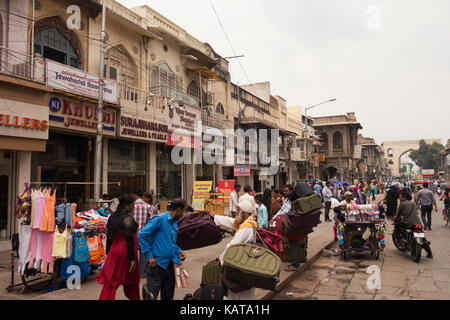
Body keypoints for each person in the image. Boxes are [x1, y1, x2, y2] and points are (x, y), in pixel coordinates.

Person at [138, 198, 187, 300]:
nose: (183, 214)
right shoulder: (159, 219)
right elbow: (142, 236)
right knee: (151, 296)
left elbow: (171, 242)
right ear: (178, 209)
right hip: (157, 264)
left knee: (168, 295)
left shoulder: (174, 223)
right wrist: (150, 256)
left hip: (170, 265)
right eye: (183, 211)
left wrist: (178, 251)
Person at [96, 195, 140, 300]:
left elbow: (110, 236)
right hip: (126, 252)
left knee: (111, 280)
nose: (134, 207)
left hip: (115, 251)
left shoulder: (113, 216)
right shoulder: (127, 218)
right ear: (126, 205)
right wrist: (132, 258)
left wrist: (108, 253)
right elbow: (129, 237)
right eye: (132, 205)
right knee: (130, 281)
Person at [220, 199, 258, 300]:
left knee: (239, 293)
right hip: (243, 263)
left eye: (239, 211)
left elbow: (232, 246)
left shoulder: (247, 227)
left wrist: (222, 260)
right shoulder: (248, 222)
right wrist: (215, 217)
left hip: (240, 265)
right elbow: (230, 221)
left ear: (244, 214)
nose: (237, 213)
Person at [395, 189, 433, 258]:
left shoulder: (402, 204)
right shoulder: (413, 204)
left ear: (404, 197)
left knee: (397, 224)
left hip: (408, 224)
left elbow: (397, 215)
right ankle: (429, 253)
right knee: (423, 238)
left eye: (400, 195)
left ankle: (399, 239)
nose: (399, 196)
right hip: (418, 224)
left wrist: (395, 218)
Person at [132, 189, 154, 278]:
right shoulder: (148, 206)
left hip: (132, 234)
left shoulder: (131, 206)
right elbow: (151, 222)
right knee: (144, 254)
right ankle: (143, 273)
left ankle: (132, 272)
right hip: (144, 234)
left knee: (132, 253)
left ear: (135, 195)